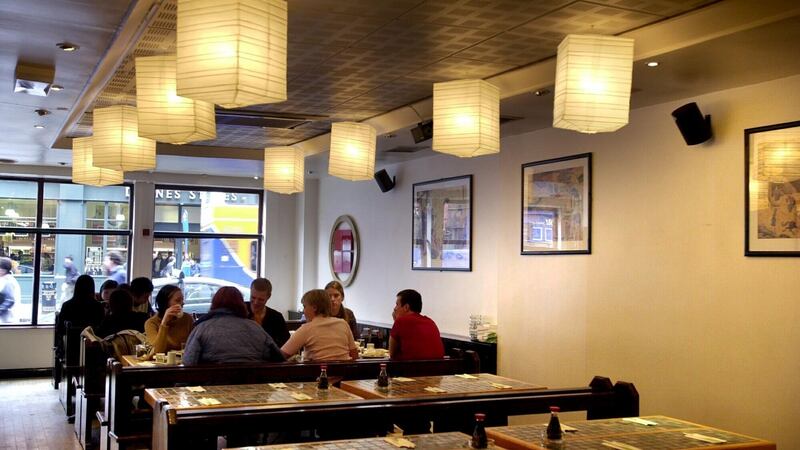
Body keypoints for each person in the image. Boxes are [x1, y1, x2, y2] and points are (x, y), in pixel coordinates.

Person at [182, 287, 284, 365]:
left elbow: (189, 362)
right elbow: (279, 359)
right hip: (252, 385)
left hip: (212, 386)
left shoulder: (202, 328)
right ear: (241, 304)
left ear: (214, 304)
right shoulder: (256, 328)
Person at [281, 289, 358, 362]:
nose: (303, 311)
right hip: (344, 374)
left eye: (304, 307)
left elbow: (281, 355)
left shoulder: (307, 329)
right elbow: (354, 355)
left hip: (319, 374)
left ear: (314, 308)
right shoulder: (343, 323)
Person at [389, 289, 444, 360]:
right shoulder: (430, 321)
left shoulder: (400, 321)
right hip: (440, 368)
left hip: (413, 369)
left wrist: (396, 321)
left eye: (397, 304)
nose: (394, 308)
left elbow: (392, 353)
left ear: (406, 307)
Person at [145, 285, 194, 354]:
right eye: (178, 300)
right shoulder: (151, 323)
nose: (182, 303)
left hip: (184, 361)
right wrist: (164, 323)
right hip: (162, 363)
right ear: (165, 303)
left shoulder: (187, 319)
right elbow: (157, 351)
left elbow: (195, 345)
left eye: (182, 299)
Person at [247, 278, 290, 347]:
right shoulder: (239, 310)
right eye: (253, 297)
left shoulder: (277, 317)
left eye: (260, 299)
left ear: (269, 297)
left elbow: (286, 344)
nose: (255, 302)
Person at [0, 257, 21, 324]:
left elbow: (9, 300)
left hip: (6, 320)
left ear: (2, 270)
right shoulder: (9, 279)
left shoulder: (6, 281)